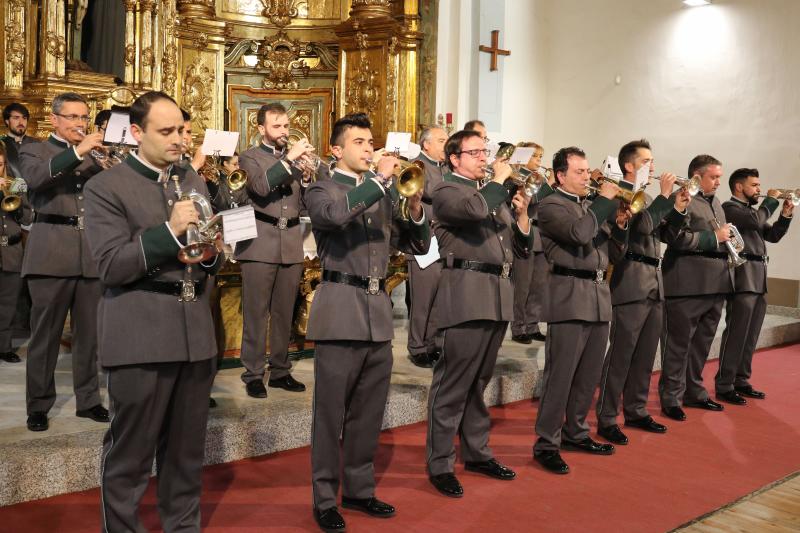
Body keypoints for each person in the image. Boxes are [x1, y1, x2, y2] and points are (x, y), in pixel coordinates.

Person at [84, 90, 222, 532]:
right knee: (131, 456)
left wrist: (216, 250)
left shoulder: (192, 180)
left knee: (185, 456)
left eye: (182, 129)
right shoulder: (105, 186)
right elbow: (110, 266)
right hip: (140, 335)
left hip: (193, 333)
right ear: (137, 133)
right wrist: (168, 231)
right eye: (166, 131)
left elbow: (203, 254)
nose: (179, 139)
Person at [305, 112, 429, 532]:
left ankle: (359, 488)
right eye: (359, 142)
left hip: (377, 311)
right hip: (340, 306)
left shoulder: (384, 194)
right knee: (330, 413)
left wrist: (413, 208)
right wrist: (379, 181)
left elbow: (418, 244)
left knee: (368, 410)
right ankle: (324, 497)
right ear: (337, 150)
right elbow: (334, 217)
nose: (369, 147)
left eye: (370, 141)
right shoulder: (322, 187)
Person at [425, 129, 532, 498]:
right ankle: (439, 464)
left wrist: (522, 215)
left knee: (478, 381)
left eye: (484, 151)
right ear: (454, 158)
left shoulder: (491, 193)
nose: (484, 157)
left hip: (497, 294)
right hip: (466, 293)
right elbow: (473, 210)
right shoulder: (446, 190)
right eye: (474, 152)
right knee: (452, 383)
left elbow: (519, 246)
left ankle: (476, 452)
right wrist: (499, 184)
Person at [533, 146, 630, 475]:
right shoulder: (550, 205)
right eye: (580, 172)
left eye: (588, 171)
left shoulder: (591, 207)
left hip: (599, 297)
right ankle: (546, 442)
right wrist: (603, 203)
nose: (587, 177)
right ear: (560, 175)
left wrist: (620, 224)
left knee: (588, 377)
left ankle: (576, 433)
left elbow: (615, 254)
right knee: (560, 378)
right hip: (569, 297)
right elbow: (578, 234)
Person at [19, 92, 108, 432]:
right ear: (54, 120)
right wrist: (79, 151)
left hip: (90, 254)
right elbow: (38, 180)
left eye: (84, 118)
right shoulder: (34, 149)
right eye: (71, 117)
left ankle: (88, 400)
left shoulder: (96, 156)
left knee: (90, 336)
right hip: (50, 253)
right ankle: (39, 405)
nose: (79, 124)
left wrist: (109, 164)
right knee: (46, 335)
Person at [595, 139, 690, 446]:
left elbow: (665, 233)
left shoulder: (647, 196)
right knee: (621, 354)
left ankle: (635, 409)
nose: (653, 166)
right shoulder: (618, 192)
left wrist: (678, 207)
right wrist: (664, 197)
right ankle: (607, 416)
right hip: (630, 279)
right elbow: (643, 227)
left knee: (647, 353)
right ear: (629, 166)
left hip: (654, 280)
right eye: (647, 161)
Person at [236, 103, 315, 398]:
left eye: (286, 126)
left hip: (291, 242)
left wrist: (306, 179)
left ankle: (280, 370)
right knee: (257, 313)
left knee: (284, 313)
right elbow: (259, 187)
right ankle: (253, 373)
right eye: (277, 126)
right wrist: (290, 161)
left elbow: (305, 205)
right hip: (259, 241)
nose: (284, 132)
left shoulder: (295, 162)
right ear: (261, 129)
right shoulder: (250, 157)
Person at [659, 154, 734, 422]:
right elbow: (674, 239)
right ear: (696, 177)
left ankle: (695, 391)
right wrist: (714, 237)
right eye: (713, 177)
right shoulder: (682, 199)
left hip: (716, 283)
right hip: (686, 284)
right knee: (677, 345)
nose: (717, 182)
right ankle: (670, 397)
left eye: (719, 177)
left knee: (702, 344)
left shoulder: (717, 205)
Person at [716, 168, 793, 404]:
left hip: (758, 276)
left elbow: (773, 235)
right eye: (755, 185)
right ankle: (725, 384)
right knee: (737, 332)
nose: (759, 189)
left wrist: (786, 215)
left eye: (760, 186)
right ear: (739, 187)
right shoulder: (731, 208)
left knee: (751, 335)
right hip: (743, 276)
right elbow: (757, 220)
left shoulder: (752, 212)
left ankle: (741, 379)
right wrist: (770, 201)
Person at [406, 125, 447, 368]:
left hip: (442, 240)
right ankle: (417, 346)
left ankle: (433, 344)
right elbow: (429, 192)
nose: (446, 144)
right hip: (424, 239)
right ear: (426, 145)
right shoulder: (417, 165)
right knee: (422, 300)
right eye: (441, 140)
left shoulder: (444, 167)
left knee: (438, 299)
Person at [511, 142, 551, 344]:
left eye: (540, 156)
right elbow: (529, 201)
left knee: (539, 285)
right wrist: (548, 186)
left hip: (541, 234)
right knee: (522, 284)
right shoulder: (517, 177)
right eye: (535, 156)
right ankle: (518, 326)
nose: (538, 160)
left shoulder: (540, 179)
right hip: (525, 231)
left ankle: (533, 324)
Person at [0, 145, 31, 363]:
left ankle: (4, 347)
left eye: (0, 164)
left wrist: (16, 201)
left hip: (11, 251)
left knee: (8, 304)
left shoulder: (16, 185)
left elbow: (27, 219)